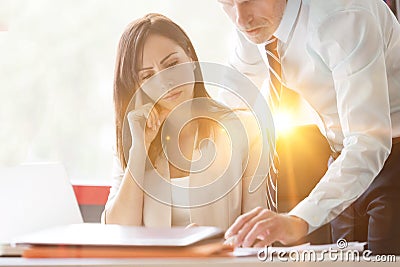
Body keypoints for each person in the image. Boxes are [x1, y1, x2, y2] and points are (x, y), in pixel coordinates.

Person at [220, 0, 400, 254]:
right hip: (341, 161)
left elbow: (369, 141)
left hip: (393, 162)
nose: (240, 18)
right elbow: (236, 89)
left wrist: (297, 221)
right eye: (226, 3)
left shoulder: (344, 16)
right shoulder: (251, 21)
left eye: (249, 0)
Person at [101, 13, 272, 230]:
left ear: (190, 59)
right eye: (147, 76)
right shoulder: (133, 142)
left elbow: (255, 232)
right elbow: (116, 231)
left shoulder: (245, 130)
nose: (165, 81)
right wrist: (138, 152)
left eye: (172, 64)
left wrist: (208, 248)